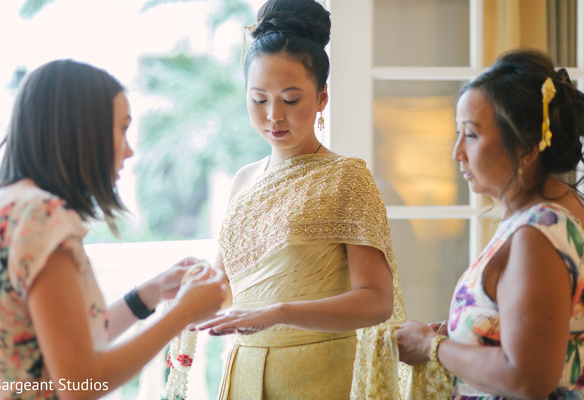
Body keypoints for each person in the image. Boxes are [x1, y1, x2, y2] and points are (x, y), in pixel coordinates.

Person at [191, 0, 406, 399]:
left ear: (323, 96)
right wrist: (180, 298)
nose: (274, 115)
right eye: (259, 99)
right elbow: (222, 288)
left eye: (291, 100)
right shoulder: (243, 181)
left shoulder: (346, 176)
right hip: (243, 372)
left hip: (320, 376)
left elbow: (376, 300)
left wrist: (279, 314)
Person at [0, 59, 226, 400]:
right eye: (123, 129)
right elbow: (79, 383)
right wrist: (182, 314)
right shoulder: (43, 217)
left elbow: (68, 340)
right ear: (83, 132)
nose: (129, 151)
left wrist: (151, 293)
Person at [397, 48, 584, 399]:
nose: (457, 152)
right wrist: (463, 331)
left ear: (526, 147)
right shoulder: (550, 212)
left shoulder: (536, 234)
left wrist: (431, 346)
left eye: (471, 134)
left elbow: (527, 377)